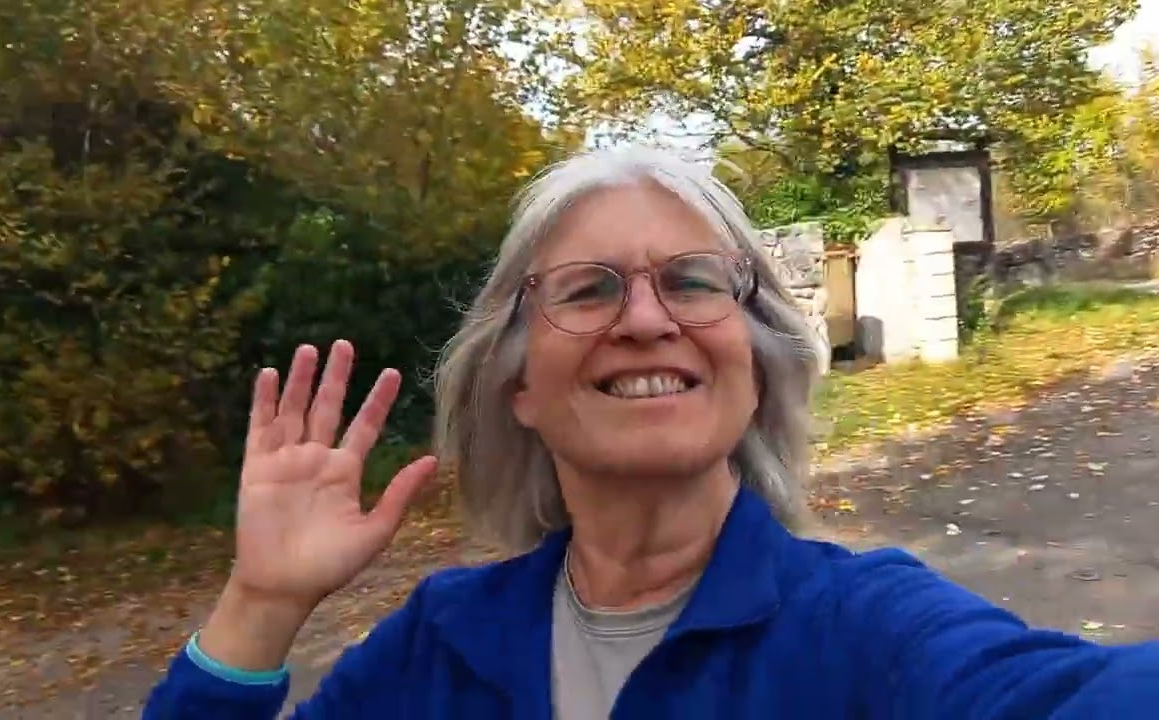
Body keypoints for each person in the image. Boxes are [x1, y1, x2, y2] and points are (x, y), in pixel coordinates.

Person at [143, 146, 1158, 719]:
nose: (643, 319)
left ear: (753, 365)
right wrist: (260, 604)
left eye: (691, 281)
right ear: (518, 385)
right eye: (587, 289)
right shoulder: (438, 648)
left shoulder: (868, 633)